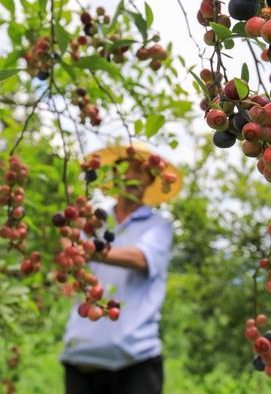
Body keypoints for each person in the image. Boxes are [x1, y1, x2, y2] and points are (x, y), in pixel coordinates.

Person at [60, 143, 182, 394]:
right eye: (125, 169)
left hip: (135, 360)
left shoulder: (158, 227)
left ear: (150, 179)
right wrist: (71, 239)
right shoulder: (93, 222)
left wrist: (85, 248)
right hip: (81, 356)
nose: (131, 176)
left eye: (140, 171)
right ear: (114, 177)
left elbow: (140, 258)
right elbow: (67, 249)